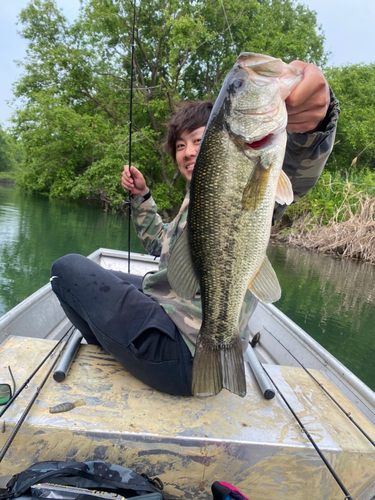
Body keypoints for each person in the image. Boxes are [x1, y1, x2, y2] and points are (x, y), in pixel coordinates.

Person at [50, 61, 340, 397]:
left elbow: (296, 172)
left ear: (222, 143)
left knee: (66, 269)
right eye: (179, 145)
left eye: (198, 140)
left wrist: (315, 125)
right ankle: (124, 351)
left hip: (181, 351)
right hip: (176, 324)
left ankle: (134, 353)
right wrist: (141, 197)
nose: (188, 152)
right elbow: (162, 247)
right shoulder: (197, 200)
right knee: (110, 277)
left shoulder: (247, 175)